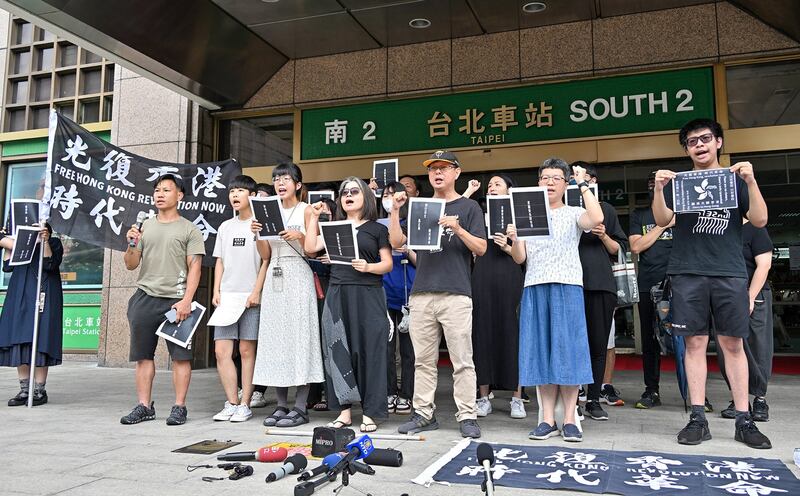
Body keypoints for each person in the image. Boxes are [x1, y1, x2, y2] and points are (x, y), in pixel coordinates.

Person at [652, 118, 771, 448]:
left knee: (733, 345)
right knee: (694, 345)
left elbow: (759, 219)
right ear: (686, 149)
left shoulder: (735, 180)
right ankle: (697, 417)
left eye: (705, 139)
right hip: (687, 272)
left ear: (718, 142)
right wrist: (660, 189)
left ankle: (744, 419)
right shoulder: (679, 183)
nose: (699, 145)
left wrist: (751, 180)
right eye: (692, 141)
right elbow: (662, 220)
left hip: (730, 272)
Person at [389, 150, 487, 439]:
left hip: (456, 292)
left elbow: (480, 248)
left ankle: (467, 414)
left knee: (462, 360)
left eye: (445, 168)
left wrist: (457, 228)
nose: (438, 173)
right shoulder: (421, 207)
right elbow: (397, 242)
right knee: (423, 360)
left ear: (457, 172)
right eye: (433, 169)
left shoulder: (469, 208)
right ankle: (423, 413)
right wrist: (394, 211)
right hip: (421, 293)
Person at [511, 158, 603, 443]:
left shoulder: (574, 212)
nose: (549, 182)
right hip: (535, 285)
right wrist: (515, 237)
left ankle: (570, 419)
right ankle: (547, 419)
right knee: (540, 351)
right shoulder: (526, 213)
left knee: (569, 351)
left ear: (565, 184)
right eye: (544, 177)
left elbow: (597, 219)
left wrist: (583, 184)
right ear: (538, 182)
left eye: (555, 178)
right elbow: (520, 258)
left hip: (567, 286)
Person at [305, 177, 393, 432]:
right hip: (338, 292)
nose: (349, 195)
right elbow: (311, 248)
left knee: (371, 352)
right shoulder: (335, 226)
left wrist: (369, 267)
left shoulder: (377, 229)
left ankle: (370, 412)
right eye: (344, 192)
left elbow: (387, 264)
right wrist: (313, 218)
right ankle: (344, 412)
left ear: (366, 196)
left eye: (355, 191)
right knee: (338, 350)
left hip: (369, 293)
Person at [121, 173, 205, 425]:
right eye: (157, 190)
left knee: (180, 357)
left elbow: (196, 267)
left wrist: (187, 300)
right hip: (145, 297)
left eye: (166, 190)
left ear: (179, 196)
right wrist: (132, 244)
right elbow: (130, 264)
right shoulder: (144, 226)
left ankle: (179, 406)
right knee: (143, 356)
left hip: (176, 301)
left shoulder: (190, 229)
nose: (160, 194)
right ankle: (144, 406)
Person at [251, 162, 324, 428]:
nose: (280, 183)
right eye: (276, 179)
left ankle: (300, 407)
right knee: (275, 339)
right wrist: (257, 234)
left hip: (298, 275)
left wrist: (300, 234)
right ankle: (281, 405)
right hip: (275, 277)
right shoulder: (268, 210)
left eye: (285, 178)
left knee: (299, 338)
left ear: (298, 184)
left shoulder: (305, 210)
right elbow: (265, 255)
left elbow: (313, 250)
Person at [210, 175, 267, 422]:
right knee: (221, 350)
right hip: (227, 298)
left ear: (252, 196)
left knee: (246, 350)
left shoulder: (260, 223)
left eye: (240, 191)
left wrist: (256, 291)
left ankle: (245, 403)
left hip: (250, 297)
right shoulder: (225, 226)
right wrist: (216, 290)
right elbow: (219, 261)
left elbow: (266, 260)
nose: (234, 195)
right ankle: (231, 402)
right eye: (232, 191)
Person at [468, 175, 526, 419]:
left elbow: (523, 256)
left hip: (510, 276)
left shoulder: (520, 217)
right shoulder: (478, 217)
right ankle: (483, 397)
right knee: (482, 333)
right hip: (482, 276)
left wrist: (509, 244)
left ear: (510, 190)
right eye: (490, 185)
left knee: (513, 333)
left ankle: (517, 398)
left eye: (497, 184)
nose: (492, 187)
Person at [573, 162, 627, 421]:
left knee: (598, 344)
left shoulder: (605, 210)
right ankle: (572, 399)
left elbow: (619, 250)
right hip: (569, 282)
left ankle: (593, 399)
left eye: (581, 177)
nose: (576, 181)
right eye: (572, 178)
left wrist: (604, 235)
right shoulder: (564, 210)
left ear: (592, 180)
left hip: (601, 283)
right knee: (572, 345)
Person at [0, 222, 63, 406]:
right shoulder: (22, 245)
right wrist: (7, 240)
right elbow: (7, 265)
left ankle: (39, 390)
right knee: (20, 338)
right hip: (20, 294)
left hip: (43, 293)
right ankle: (24, 389)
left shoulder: (54, 243)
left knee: (41, 339)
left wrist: (44, 240)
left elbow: (51, 264)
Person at [718, 221, 773, 422]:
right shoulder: (721, 228)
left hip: (755, 293)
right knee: (727, 350)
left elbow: (764, 264)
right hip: (725, 295)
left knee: (759, 347)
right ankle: (739, 400)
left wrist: (749, 297)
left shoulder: (755, 227)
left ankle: (760, 398)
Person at [629, 171, 674, 409]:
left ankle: (695, 393)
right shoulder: (640, 214)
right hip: (648, 283)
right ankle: (651, 390)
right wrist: (662, 226)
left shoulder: (681, 213)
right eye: (651, 184)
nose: (654, 188)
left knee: (688, 342)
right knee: (650, 341)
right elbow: (636, 246)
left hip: (680, 284)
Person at [380, 181, 416, 416]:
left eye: (395, 194)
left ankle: (408, 395)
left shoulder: (415, 223)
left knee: (409, 351)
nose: (390, 198)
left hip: (409, 293)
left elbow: (423, 261)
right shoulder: (377, 225)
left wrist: (408, 250)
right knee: (386, 348)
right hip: (384, 291)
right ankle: (390, 391)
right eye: (386, 195)